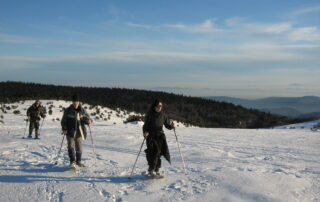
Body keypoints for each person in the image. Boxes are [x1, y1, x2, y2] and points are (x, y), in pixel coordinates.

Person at [143, 99, 175, 176]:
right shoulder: (150, 115)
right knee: (152, 152)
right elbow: (145, 126)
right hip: (150, 136)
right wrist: (145, 132)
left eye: (161, 106)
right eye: (158, 106)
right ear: (154, 106)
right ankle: (152, 169)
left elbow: (167, 125)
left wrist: (171, 126)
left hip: (160, 136)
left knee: (158, 153)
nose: (159, 107)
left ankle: (156, 169)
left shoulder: (163, 115)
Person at [61, 94, 92, 168]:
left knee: (79, 147)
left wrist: (88, 121)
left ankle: (78, 162)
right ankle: (72, 161)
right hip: (70, 131)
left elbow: (88, 118)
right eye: (74, 101)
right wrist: (64, 129)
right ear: (72, 102)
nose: (75, 103)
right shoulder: (68, 110)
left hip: (80, 131)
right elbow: (63, 121)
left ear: (79, 102)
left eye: (77, 101)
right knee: (70, 146)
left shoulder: (82, 110)